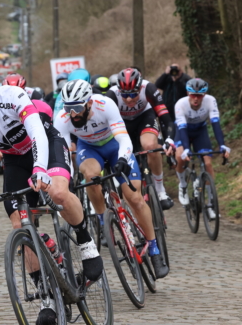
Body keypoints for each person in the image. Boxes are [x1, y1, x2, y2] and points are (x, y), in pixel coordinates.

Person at [0, 62, 102, 325]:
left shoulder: (11, 97)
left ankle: (86, 240)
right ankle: (46, 294)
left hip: (45, 143)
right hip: (15, 160)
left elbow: (36, 133)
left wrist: (41, 169)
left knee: (57, 192)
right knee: (21, 225)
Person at [54, 79, 169, 279]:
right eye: (68, 108)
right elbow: (62, 152)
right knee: (89, 176)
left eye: (78, 108)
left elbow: (124, 138)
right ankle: (102, 219)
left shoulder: (105, 105)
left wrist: (124, 159)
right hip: (89, 149)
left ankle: (154, 247)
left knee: (134, 198)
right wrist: (67, 178)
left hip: (115, 146)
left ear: (89, 103)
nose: (73, 114)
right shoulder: (62, 118)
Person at [106, 68, 176, 210]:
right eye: (125, 95)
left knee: (150, 145)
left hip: (144, 117)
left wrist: (169, 139)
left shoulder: (148, 88)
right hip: (122, 123)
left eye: (133, 94)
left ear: (140, 88)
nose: (129, 99)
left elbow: (167, 120)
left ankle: (160, 190)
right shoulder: (112, 94)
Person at [174, 78, 230, 219]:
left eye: (199, 95)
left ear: (204, 95)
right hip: (183, 131)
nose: (196, 98)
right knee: (180, 156)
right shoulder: (180, 104)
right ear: (188, 93)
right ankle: (183, 186)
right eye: (193, 95)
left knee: (208, 163)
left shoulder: (210, 101)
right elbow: (182, 128)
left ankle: (211, 204)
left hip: (200, 131)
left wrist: (222, 145)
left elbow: (215, 124)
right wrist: (186, 149)